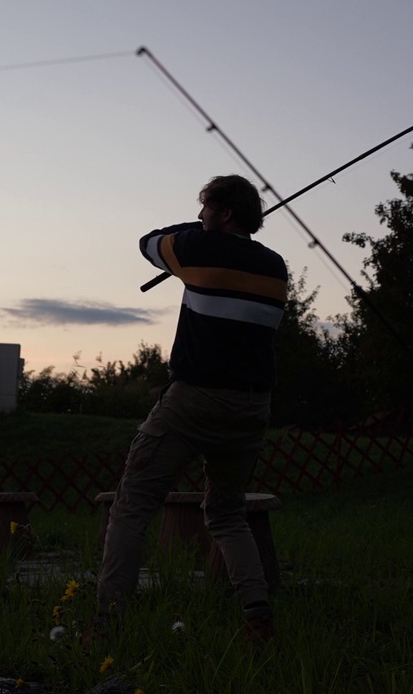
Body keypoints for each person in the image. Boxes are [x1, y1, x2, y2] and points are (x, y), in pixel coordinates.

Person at [96, 174, 288, 643]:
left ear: (223, 214)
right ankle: (257, 614)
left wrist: (200, 229)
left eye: (206, 208)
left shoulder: (200, 249)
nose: (200, 215)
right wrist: (214, 228)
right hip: (252, 407)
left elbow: (149, 243)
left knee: (133, 503)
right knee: (226, 513)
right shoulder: (276, 266)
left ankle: (106, 623)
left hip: (194, 400)